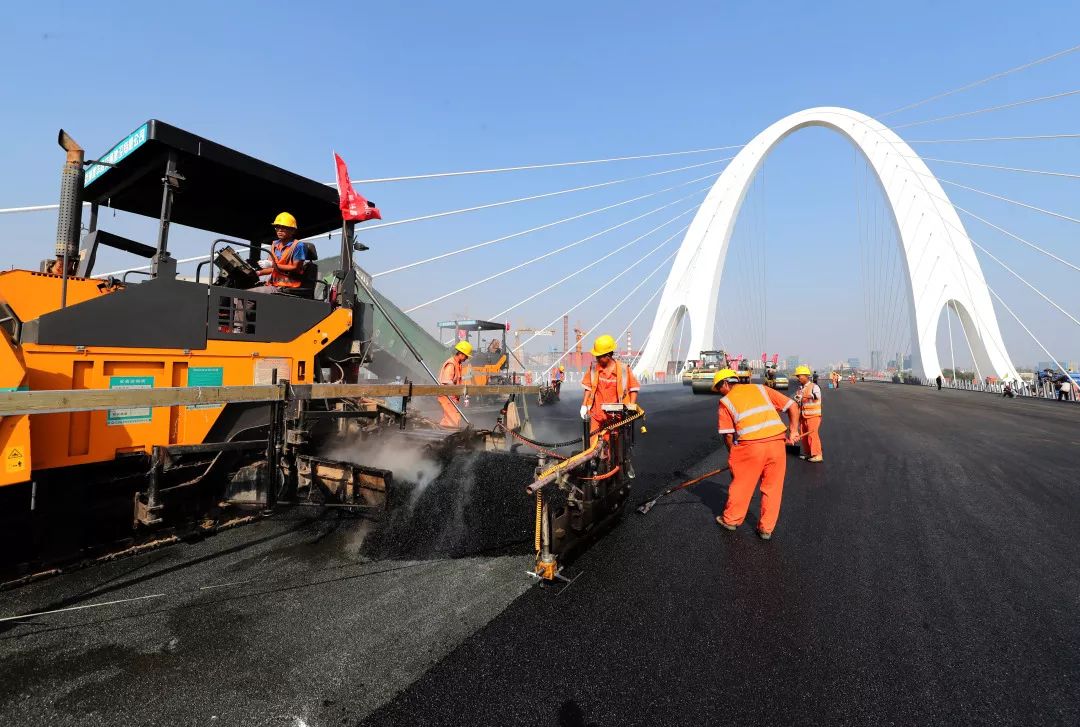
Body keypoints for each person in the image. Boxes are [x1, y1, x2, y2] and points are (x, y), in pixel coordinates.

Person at [712, 368, 800, 540]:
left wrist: (733, 456)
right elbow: (793, 405)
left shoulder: (726, 401)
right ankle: (766, 529)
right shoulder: (761, 389)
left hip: (751, 447)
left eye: (718, 388)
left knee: (741, 485)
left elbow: (728, 435)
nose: (718, 393)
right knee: (772, 488)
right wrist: (794, 431)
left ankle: (731, 520)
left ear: (725, 384)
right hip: (777, 445)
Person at [580, 334, 639, 446]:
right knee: (592, 447)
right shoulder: (593, 368)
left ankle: (615, 463)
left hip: (617, 418)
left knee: (615, 449)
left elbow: (633, 389)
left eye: (599, 356)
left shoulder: (623, 370)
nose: (596, 358)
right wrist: (584, 405)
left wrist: (631, 406)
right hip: (597, 416)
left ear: (608, 355)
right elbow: (588, 387)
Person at [251, 213, 311, 295]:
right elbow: (272, 268)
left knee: (248, 294)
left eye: (283, 228)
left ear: (292, 230)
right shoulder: (274, 245)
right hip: (273, 284)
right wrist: (258, 272)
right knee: (244, 291)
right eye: (277, 227)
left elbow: (295, 268)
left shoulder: (298, 246)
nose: (279, 230)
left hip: (288, 287)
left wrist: (272, 264)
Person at [438, 341, 472, 427]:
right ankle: (449, 437)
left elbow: (457, 381)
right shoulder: (451, 364)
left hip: (451, 397)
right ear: (461, 354)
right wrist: (459, 391)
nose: (466, 358)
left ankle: (443, 433)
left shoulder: (458, 364)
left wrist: (463, 393)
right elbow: (447, 381)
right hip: (447, 396)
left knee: (450, 418)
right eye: (466, 356)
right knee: (453, 420)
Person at [793, 365, 823, 462]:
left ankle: (818, 455)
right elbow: (800, 401)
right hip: (803, 416)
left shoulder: (814, 387)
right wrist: (797, 399)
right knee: (804, 436)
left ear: (806, 376)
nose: (798, 378)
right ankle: (809, 454)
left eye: (800, 376)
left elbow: (816, 396)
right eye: (797, 376)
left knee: (812, 435)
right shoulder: (800, 388)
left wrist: (804, 396)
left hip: (813, 416)